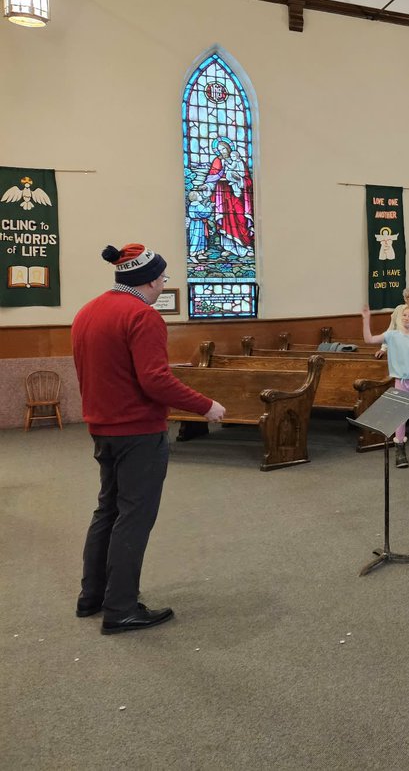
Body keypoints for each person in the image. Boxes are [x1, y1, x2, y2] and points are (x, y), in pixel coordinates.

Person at [73, 243, 226, 635]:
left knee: (107, 511)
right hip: (137, 431)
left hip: (102, 426)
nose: (162, 285)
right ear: (152, 279)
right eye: (162, 278)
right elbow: (155, 380)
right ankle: (121, 608)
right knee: (133, 518)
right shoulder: (142, 316)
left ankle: (93, 596)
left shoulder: (87, 311)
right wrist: (205, 405)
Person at [363, 303, 409, 469]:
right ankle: (400, 450)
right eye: (404, 315)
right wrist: (366, 320)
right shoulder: (392, 335)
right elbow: (369, 339)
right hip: (400, 381)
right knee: (400, 417)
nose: (406, 318)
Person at [203, 137, 254, 257]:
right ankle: (228, 246)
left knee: (241, 218)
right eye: (220, 149)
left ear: (229, 148)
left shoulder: (240, 162)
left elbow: (248, 181)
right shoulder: (217, 161)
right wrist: (207, 186)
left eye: (224, 148)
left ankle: (246, 245)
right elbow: (211, 178)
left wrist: (239, 179)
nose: (222, 151)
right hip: (223, 194)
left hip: (238, 195)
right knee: (226, 220)